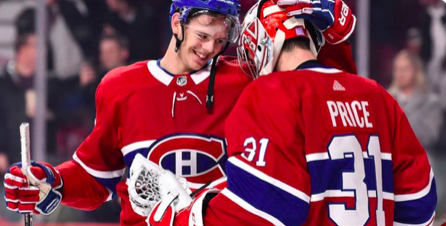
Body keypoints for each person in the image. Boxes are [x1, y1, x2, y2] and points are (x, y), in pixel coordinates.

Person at [3, 0, 356, 225]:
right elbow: (97, 176)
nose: (210, 49)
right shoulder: (121, 87)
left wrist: (335, 40)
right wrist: (53, 181)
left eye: (220, 41)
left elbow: (318, 85)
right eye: (202, 36)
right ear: (176, 23)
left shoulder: (246, 79)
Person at [145, 1, 437, 225]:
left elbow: (264, 210)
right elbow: (420, 203)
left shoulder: (270, 93)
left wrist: (181, 213)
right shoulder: (377, 95)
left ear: (263, 39)